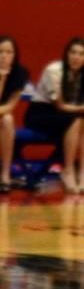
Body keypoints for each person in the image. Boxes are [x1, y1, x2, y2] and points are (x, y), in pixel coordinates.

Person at [24, 37, 84, 194]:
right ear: (66, 54)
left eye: (81, 54)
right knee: (76, 120)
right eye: (73, 52)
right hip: (41, 112)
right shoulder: (54, 70)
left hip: (68, 113)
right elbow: (59, 105)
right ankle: (68, 170)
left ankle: (83, 173)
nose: (76, 57)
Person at [0, 35, 29, 193]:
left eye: (9, 52)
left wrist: (5, 78)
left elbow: (10, 106)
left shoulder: (20, 73)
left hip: (2, 115)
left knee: (8, 119)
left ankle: (5, 175)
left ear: (15, 55)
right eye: (1, 51)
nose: (4, 55)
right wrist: (1, 79)